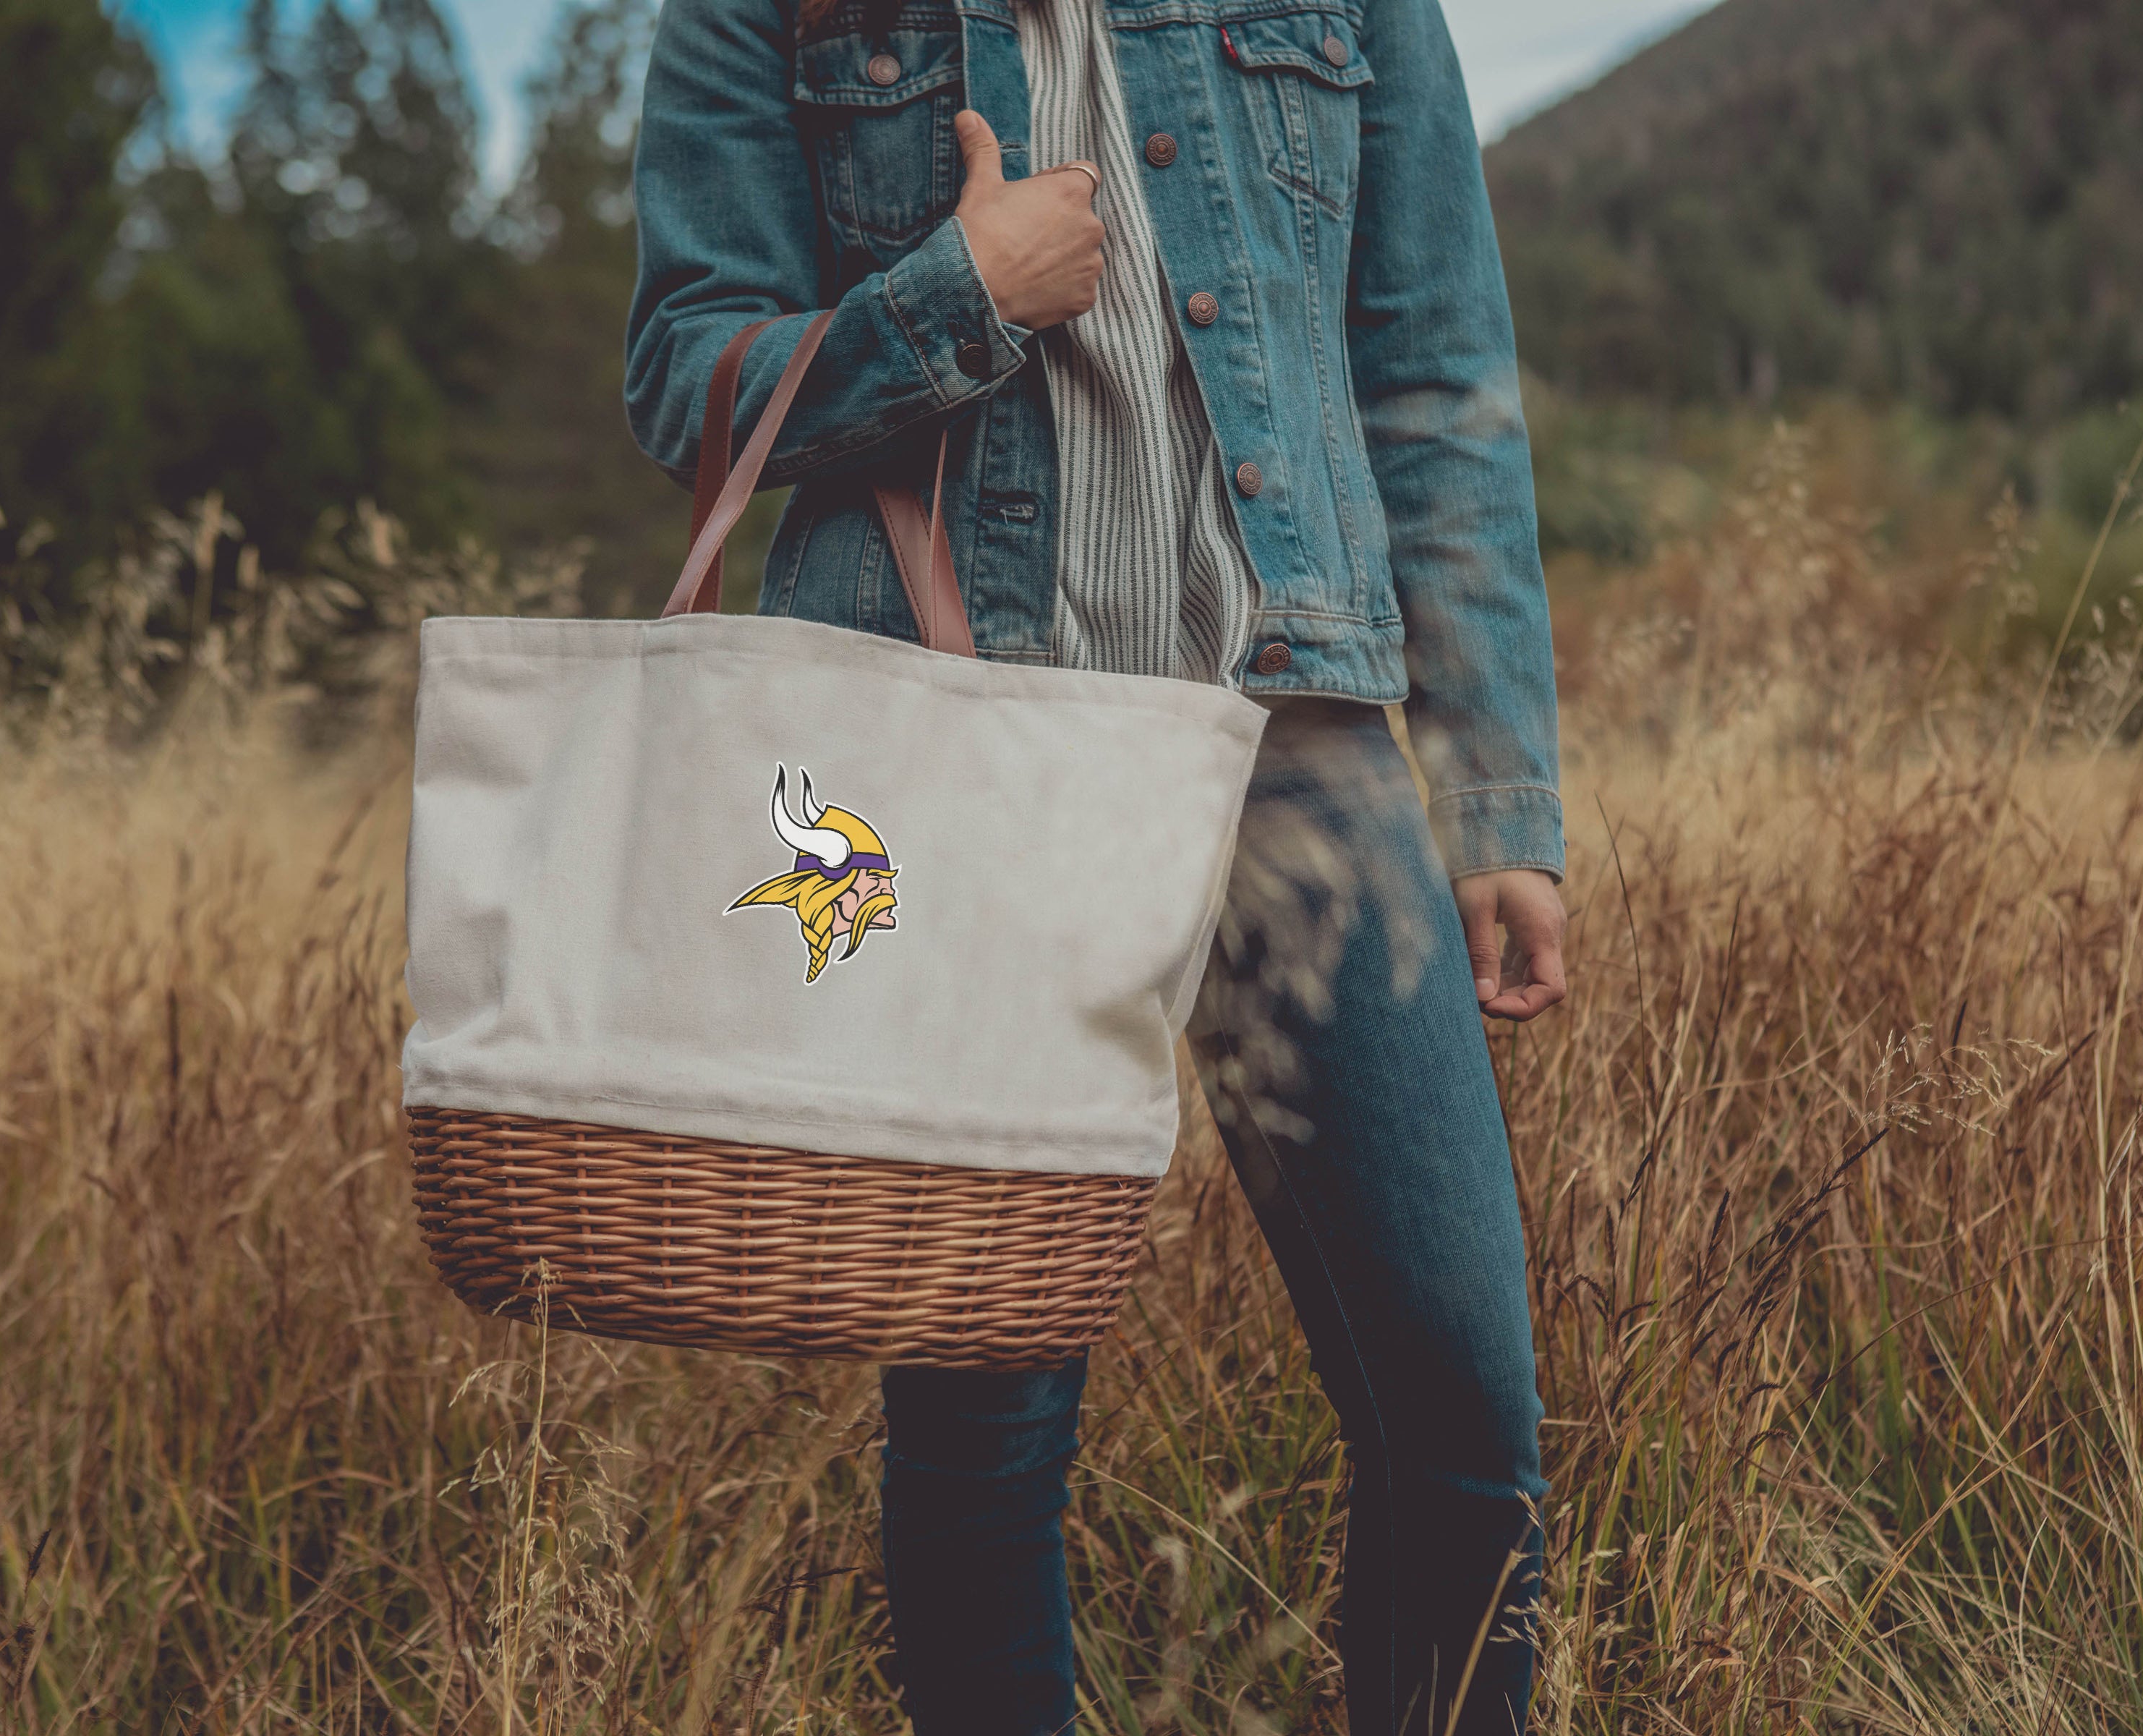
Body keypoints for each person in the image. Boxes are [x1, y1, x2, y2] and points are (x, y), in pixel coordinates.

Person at [627, 0, 1567, 1728]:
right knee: (986, 1440)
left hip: (1300, 748)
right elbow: (686, 373)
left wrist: (1500, 791)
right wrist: (952, 300)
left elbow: (1433, 374)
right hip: (961, 760)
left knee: (1463, 1418)